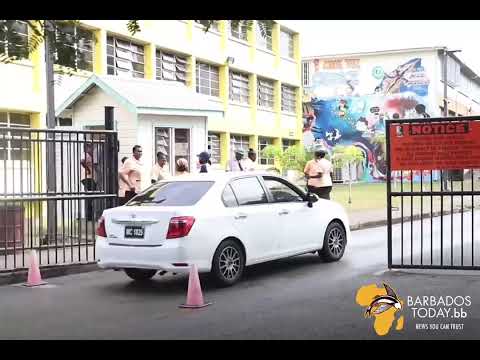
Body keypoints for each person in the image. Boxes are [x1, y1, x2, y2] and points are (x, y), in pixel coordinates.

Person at [80, 143, 96, 220]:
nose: (91, 149)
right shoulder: (85, 154)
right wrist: (88, 170)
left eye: (91, 147)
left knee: (91, 195)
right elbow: (82, 161)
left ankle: (89, 215)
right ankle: (89, 216)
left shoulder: (90, 155)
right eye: (90, 147)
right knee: (90, 196)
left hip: (89, 177)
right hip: (87, 177)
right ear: (86, 148)